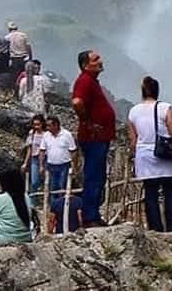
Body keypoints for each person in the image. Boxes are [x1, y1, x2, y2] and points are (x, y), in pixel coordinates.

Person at [127, 76, 172, 233]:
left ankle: (155, 229)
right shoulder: (165, 107)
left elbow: (133, 140)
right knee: (170, 192)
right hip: (164, 155)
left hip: (144, 156)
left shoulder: (133, 112)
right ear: (157, 91)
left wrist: (135, 156)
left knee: (150, 193)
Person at [71, 50, 115, 227]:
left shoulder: (91, 82)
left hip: (99, 137)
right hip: (93, 138)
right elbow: (77, 102)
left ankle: (93, 214)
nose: (100, 61)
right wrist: (87, 122)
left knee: (98, 176)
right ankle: (90, 217)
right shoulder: (84, 81)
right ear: (85, 65)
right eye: (96, 59)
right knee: (93, 176)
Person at [39, 116, 77, 200]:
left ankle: (62, 207)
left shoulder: (67, 135)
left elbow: (73, 151)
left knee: (62, 187)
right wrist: (41, 165)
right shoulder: (46, 135)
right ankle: (53, 208)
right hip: (51, 165)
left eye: (49, 126)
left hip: (64, 165)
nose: (47, 128)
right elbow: (42, 150)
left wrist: (74, 166)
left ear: (56, 125)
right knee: (52, 187)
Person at [21, 114, 46, 192]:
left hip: (46, 158)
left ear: (42, 124)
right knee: (34, 181)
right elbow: (29, 149)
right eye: (34, 124)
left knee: (47, 180)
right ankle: (33, 201)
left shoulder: (46, 134)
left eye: (38, 124)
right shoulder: (32, 133)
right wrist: (25, 163)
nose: (36, 126)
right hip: (35, 158)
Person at [5, 22, 31, 91]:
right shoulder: (23, 35)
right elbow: (28, 47)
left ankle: (16, 92)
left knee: (15, 78)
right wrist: (30, 58)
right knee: (25, 76)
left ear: (9, 29)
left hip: (14, 59)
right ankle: (26, 90)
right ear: (17, 28)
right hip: (24, 58)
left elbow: (6, 49)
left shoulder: (7, 37)